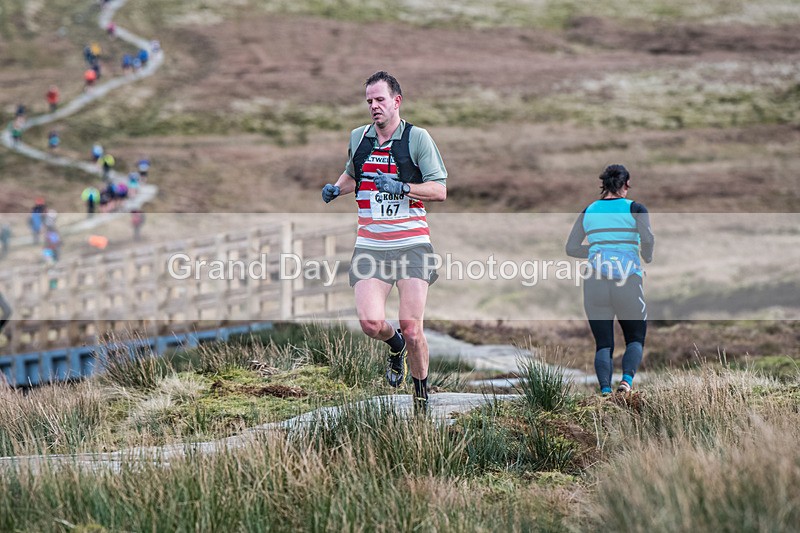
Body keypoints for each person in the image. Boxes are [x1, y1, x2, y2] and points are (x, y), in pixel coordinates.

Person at [321, 71, 447, 413]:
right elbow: (353, 173)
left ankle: (420, 399)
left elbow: (439, 189)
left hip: (411, 245)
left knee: (412, 327)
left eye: (380, 100)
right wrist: (336, 188)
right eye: (369, 101)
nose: (374, 107)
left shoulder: (417, 139)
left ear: (396, 101)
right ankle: (395, 348)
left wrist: (403, 187)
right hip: (371, 246)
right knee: (371, 323)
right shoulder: (359, 137)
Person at [565, 164, 655, 395]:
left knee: (603, 344)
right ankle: (625, 383)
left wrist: (598, 250)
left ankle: (605, 391)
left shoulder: (589, 210)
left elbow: (571, 248)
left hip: (595, 281)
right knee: (635, 338)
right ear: (626, 185)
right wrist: (646, 255)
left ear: (603, 185)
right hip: (627, 280)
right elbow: (647, 238)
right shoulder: (636, 208)